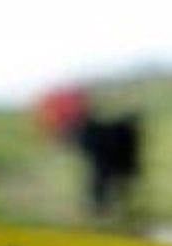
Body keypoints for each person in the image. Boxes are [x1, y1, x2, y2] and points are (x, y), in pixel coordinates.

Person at [35, 88, 142, 218]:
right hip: (87, 134)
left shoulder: (65, 96)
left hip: (88, 133)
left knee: (102, 168)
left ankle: (103, 205)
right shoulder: (60, 98)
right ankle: (101, 206)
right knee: (102, 168)